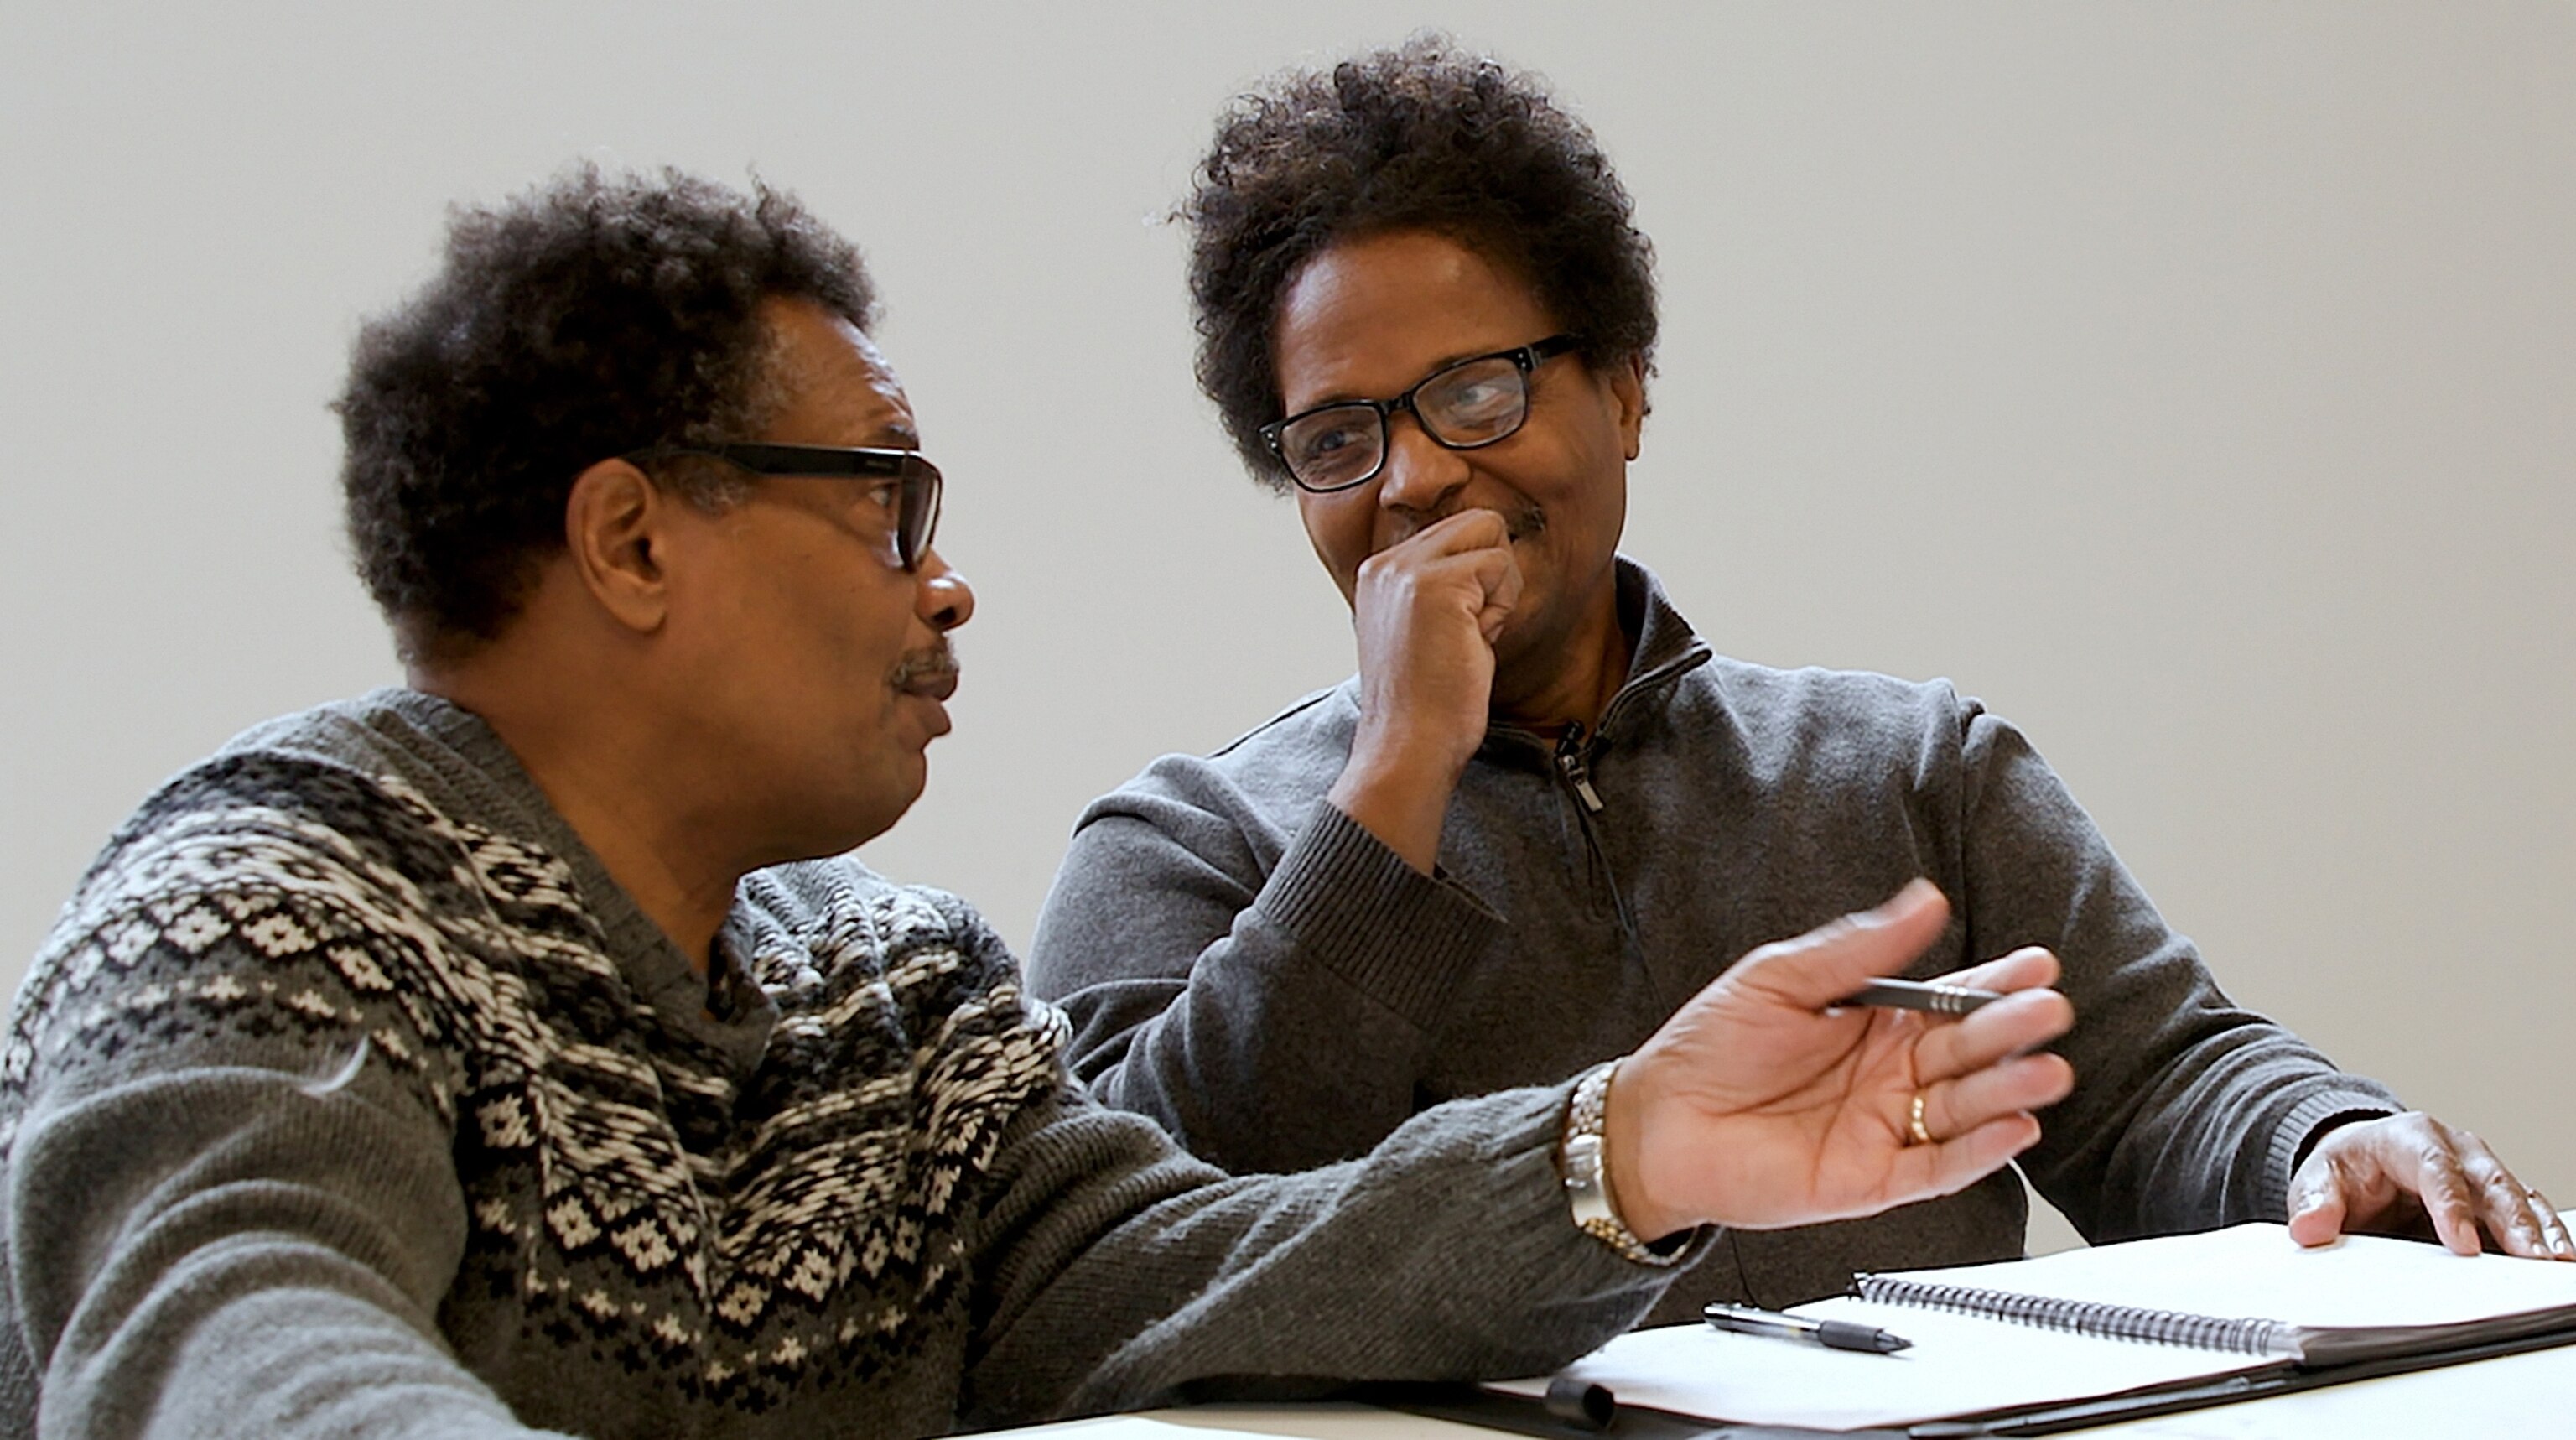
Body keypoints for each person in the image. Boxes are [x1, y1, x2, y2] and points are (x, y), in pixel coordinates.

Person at [0, 167, 2080, 1440]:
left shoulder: (893, 1002)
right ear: (633, 544)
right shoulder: (261, 917)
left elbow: (1181, 1264)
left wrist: (1622, 1148)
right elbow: (227, 1341)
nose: (949, 572)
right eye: (890, 499)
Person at [1024, 39, 2568, 1324]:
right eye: (1340, 437)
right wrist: (1392, 788)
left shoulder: (1911, 764)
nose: (1419, 474)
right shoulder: (1179, 844)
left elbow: (2161, 1079)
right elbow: (1122, 1271)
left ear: (1626, 388)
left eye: (1476, 390)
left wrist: (2325, 1132)